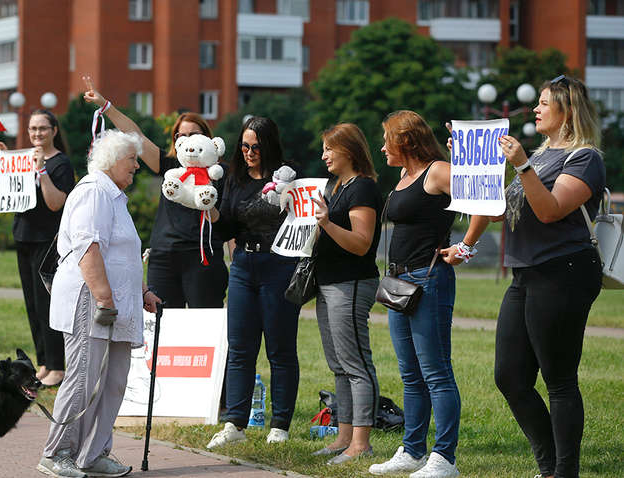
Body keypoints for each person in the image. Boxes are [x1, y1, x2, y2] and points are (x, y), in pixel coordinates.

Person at [494, 75, 605, 478]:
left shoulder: (585, 157)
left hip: (564, 272)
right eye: (537, 102)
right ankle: (549, 465)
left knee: (559, 379)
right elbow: (499, 211)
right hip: (526, 274)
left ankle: (564, 471)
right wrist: (476, 164)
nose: (536, 109)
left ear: (568, 111)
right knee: (509, 376)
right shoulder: (539, 155)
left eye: (544, 103)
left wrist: (522, 165)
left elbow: (550, 210)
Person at [368, 110, 488, 478]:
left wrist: (465, 247)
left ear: (405, 141)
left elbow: (485, 203)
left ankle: (444, 458)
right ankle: (413, 450)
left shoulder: (438, 171)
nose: (382, 146)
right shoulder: (405, 176)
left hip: (429, 281)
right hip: (399, 284)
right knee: (410, 375)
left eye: (387, 139)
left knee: (436, 373)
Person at [38, 130, 161, 478]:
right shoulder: (94, 192)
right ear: (111, 160)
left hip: (117, 304)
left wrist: (142, 291)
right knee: (84, 378)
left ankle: (92, 454)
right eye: (132, 159)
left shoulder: (114, 196)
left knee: (114, 380)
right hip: (92, 301)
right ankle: (57, 452)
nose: (137, 166)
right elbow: (88, 249)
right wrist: (105, 298)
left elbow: (124, 253)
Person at [82, 76, 228, 308]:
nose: (187, 140)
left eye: (193, 134)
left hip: (202, 257)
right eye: (181, 135)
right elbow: (136, 136)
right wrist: (105, 106)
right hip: (164, 257)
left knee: (204, 324)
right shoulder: (170, 166)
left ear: (208, 139)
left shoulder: (221, 173)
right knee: (163, 324)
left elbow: (229, 224)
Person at [205, 116, 301, 448]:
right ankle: (235, 424)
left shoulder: (286, 176)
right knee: (241, 348)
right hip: (244, 265)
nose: (249, 152)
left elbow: (300, 220)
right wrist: (212, 212)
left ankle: (280, 425)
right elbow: (227, 228)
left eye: (256, 147)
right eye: (244, 146)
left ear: (269, 145)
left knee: (280, 348)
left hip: (279, 264)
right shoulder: (235, 179)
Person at [309, 123, 381, 465]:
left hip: (350, 283)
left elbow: (361, 243)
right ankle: (344, 436)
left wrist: (325, 224)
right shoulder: (338, 186)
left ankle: (361, 443)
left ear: (348, 151)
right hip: (329, 282)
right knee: (339, 365)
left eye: (329, 149)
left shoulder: (363, 188)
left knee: (356, 364)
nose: (323, 155)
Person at [0, 110, 75, 387]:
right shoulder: (24, 159)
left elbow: (56, 203)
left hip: (47, 241)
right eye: (32, 129)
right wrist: (7, 161)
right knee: (32, 304)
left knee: (47, 304)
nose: (37, 134)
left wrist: (41, 170)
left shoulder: (61, 164)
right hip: (24, 237)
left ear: (54, 130)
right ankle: (43, 362)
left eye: (42, 128)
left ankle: (57, 365)